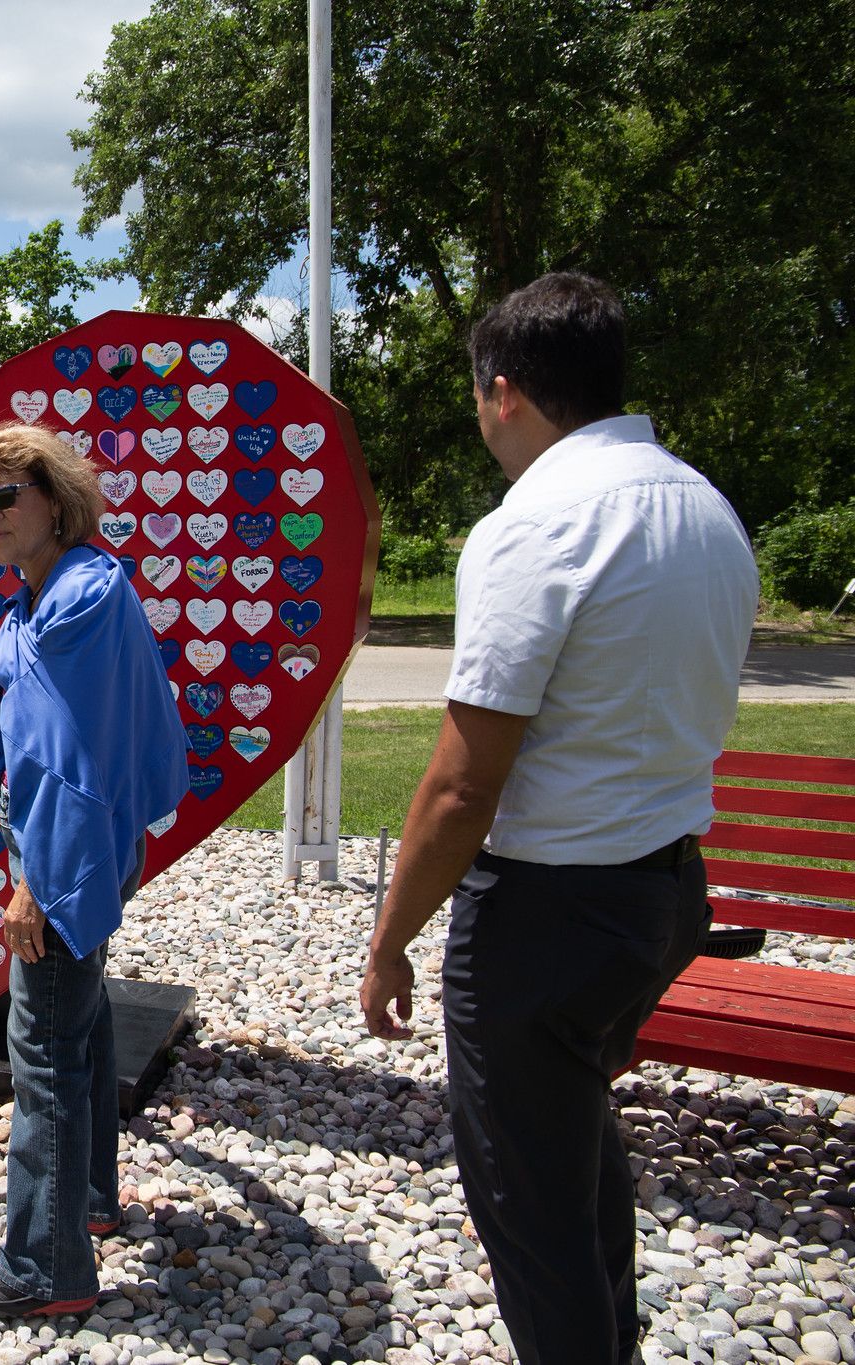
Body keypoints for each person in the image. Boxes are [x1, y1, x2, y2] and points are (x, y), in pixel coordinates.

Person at [357, 273, 757, 1364]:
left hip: (548, 906)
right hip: (665, 889)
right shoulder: (703, 506)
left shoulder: (536, 524)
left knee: (528, 1208)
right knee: (571, 1144)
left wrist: (388, 941)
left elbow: (458, 783)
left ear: (502, 393)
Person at [0, 422, 188, 1317]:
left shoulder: (74, 602)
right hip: (88, 848)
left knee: (41, 1046)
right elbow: (38, 679)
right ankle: (87, 1199)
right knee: (80, 1025)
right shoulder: (65, 585)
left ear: (55, 497)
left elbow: (62, 767)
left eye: (5, 496)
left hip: (62, 856)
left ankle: (45, 1270)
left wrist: (30, 886)